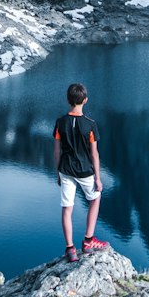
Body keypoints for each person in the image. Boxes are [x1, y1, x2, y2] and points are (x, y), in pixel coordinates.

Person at [53, 82, 108, 261]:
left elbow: (57, 151)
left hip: (66, 169)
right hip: (85, 170)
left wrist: (57, 172)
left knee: (67, 208)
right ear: (85, 100)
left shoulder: (60, 122)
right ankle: (88, 241)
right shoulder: (90, 124)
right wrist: (98, 178)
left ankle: (70, 249)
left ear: (68, 100)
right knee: (95, 199)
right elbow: (94, 154)